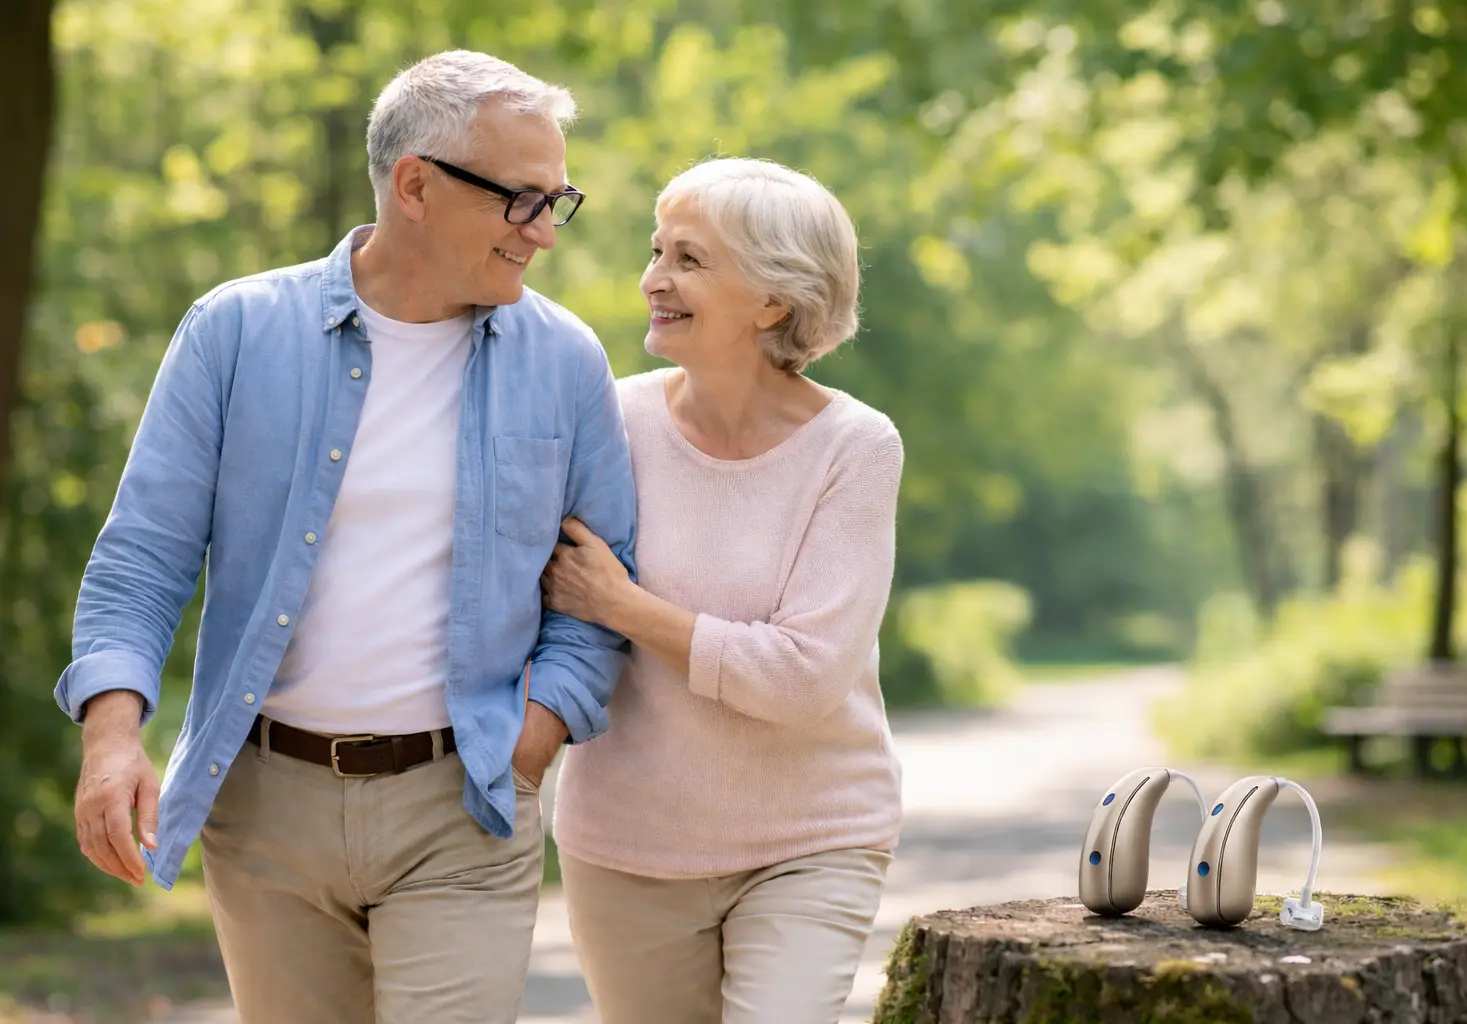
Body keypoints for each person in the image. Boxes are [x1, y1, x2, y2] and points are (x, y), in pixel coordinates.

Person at [56, 50, 637, 1024]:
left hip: (466, 806)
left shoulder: (565, 361)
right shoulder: (234, 333)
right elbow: (144, 552)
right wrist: (112, 739)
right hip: (264, 811)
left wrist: (528, 743)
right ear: (416, 184)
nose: (544, 234)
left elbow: (600, 593)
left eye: (557, 201)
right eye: (522, 201)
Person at [541, 156, 905, 1024]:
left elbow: (804, 677)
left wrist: (625, 606)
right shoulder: (612, 418)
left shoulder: (855, 447)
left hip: (810, 841)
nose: (652, 280)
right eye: (657, 251)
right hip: (626, 846)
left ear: (774, 300)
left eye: (689, 260)